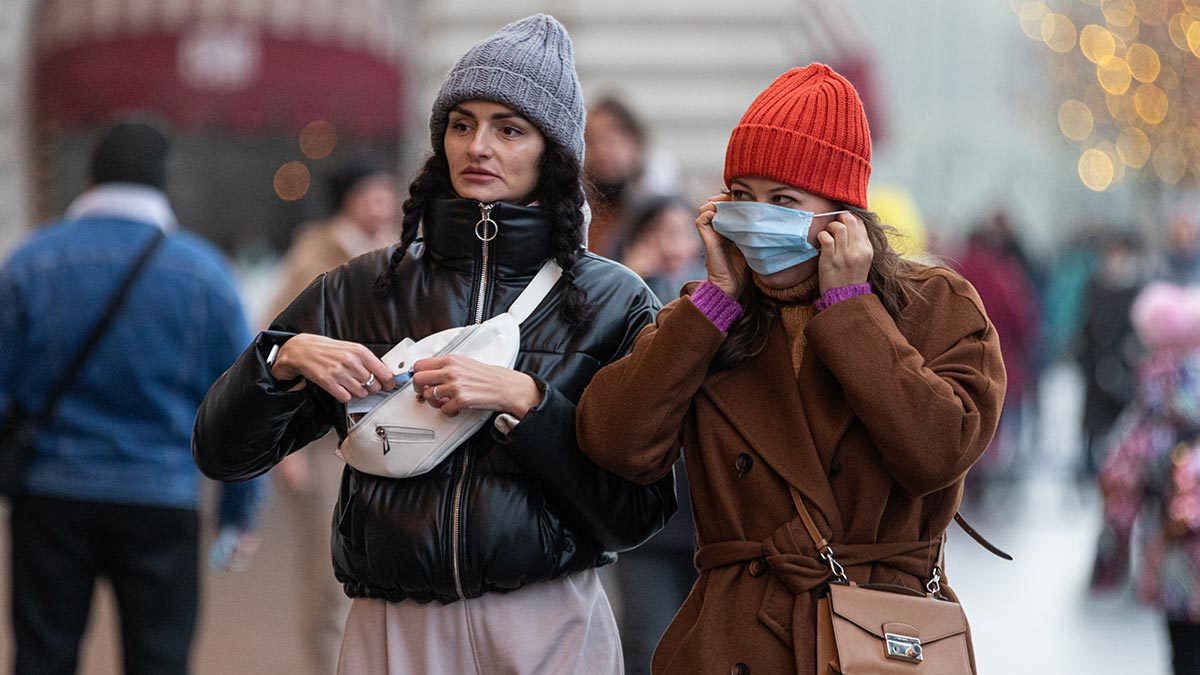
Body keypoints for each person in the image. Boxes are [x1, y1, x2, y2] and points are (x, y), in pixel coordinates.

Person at [192, 15, 675, 674]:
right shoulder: (364, 287)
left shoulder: (611, 300)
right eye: (461, 123)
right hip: (393, 629)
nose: (478, 145)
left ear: (552, 150)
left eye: (509, 128)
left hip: (548, 625)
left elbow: (637, 513)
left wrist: (528, 402)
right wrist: (281, 361)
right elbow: (221, 450)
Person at [576, 63, 1007, 674]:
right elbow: (616, 443)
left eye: (784, 201)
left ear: (843, 217)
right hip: (734, 642)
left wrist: (850, 308)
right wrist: (710, 306)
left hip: (876, 640)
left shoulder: (935, 307)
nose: (758, 220)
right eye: (743, 198)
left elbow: (936, 452)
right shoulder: (710, 317)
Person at [0, 118, 264, 675]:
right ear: (163, 181)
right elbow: (245, 405)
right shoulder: (206, 275)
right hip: (161, 495)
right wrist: (239, 513)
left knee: (42, 657)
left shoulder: (31, 262)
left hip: (50, 493)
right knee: (159, 660)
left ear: (91, 177)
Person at [265, 157, 397, 675]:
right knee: (330, 582)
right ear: (348, 199)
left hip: (398, 435)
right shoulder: (313, 255)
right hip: (325, 443)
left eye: (386, 193)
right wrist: (284, 447)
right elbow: (274, 347)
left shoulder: (410, 250)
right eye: (371, 194)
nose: (381, 204)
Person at [1093, 281, 1200, 674]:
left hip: (1174, 540)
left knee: (1185, 650)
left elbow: (1122, 471)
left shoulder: (1156, 399)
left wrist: (1114, 538)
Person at [584, 96, 681, 258]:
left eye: (610, 139)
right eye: (590, 141)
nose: (602, 152)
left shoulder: (661, 209)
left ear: (634, 141)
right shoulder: (578, 213)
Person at [618, 194, 706, 303]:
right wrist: (628, 280)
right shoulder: (624, 282)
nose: (666, 248)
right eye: (650, 237)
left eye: (675, 233)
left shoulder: (714, 289)